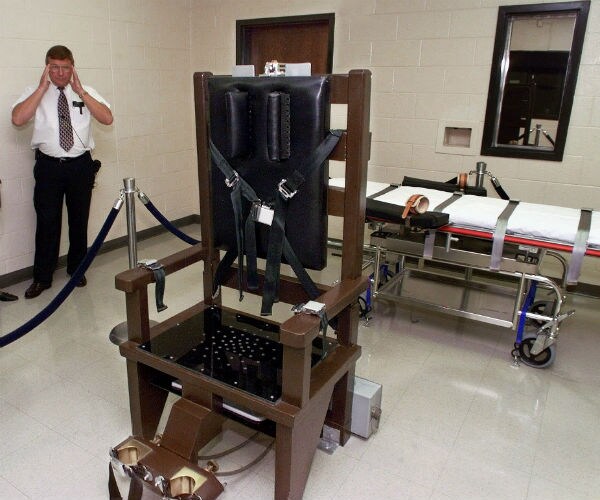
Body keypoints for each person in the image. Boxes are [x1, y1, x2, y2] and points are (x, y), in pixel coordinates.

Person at [12, 45, 113, 299]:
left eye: (65, 67)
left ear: (72, 67)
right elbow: (18, 119)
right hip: (48, 167)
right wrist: (41, 89)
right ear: (47, 67)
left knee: (79, 220)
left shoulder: (85, 90)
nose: (59, 73)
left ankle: (77, 270)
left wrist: (81, 92)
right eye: (54, 67)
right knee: (47, 221)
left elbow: (107, 118)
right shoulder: (35, 92)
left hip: (80, 165)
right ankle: (42, 277)